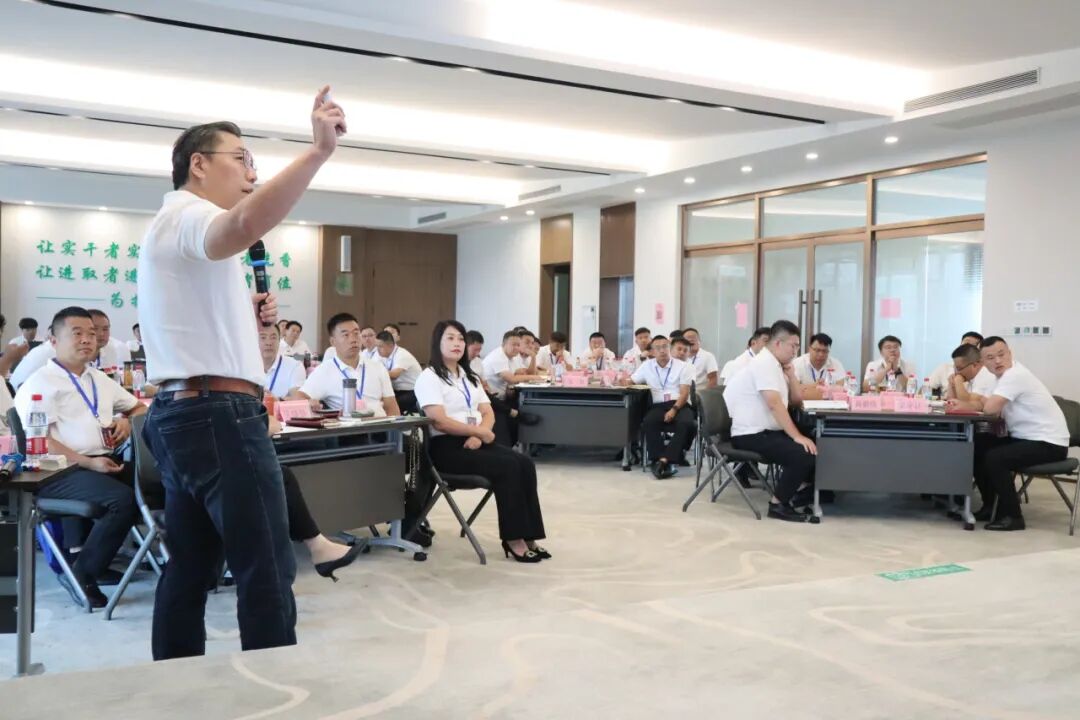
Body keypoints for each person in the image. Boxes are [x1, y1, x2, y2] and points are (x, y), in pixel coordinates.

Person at [139, 86, 346, 660]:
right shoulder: (188, 214)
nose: (252, 172)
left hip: (186, 411)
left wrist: (248, 322)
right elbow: (246, 222)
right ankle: (274, 681)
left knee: (192, 563)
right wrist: (317, 152)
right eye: (242, 158)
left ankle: (175, 673)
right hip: (215, 415)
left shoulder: (180, 228)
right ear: (199, 165)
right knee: (265, 563)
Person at [14, 307, 147, 608]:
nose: (87, 340)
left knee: (169, 482)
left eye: (91, 334)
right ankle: (82, 574)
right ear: (53, 340)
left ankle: (183, 564)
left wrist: (125, 421)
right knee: (121, 500)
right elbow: (40, 441)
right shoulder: (41, 382)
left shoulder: (97, 377)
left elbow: (139, 408)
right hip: (58, 471)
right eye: (77, 334)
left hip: (102, 461)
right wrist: (87, 462)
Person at [414, 320, 548, 563]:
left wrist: (479, 434)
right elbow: (439, 421)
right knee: (508, 467)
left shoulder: (469, 377)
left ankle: (530, 537)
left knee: (525, 463)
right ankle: (513, 539)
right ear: (437, 343)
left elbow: (488, 411)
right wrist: (477, 432)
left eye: (460, 339)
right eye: (450, 338)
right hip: (446, 448)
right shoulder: (429, 377)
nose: (457, 343)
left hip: (476, 440)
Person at [951, 337, 1069, 531]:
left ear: (1010, 353)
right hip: (1026, 438)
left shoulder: (1015, 375)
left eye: (1001, 354)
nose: (997, 361)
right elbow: (985, 404)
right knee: (978, 444)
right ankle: (990, 506)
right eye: (990, 358)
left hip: (1049, 443)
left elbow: (990, 408)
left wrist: (977, 403)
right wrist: (967, 404)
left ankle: (1013, 516)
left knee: (996, 457)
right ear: (983, 362)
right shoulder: (999, 378)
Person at [723, 320, 816, 523]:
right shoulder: (764, 364)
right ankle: (778, 504)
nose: (796, 351)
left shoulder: (776, 365)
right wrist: (797, 436)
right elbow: (774, 404)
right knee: (802, 452)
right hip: (750, 433)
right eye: (793, 346)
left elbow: (796, 401)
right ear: (778, 344)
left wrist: (791, 375)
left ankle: (804, 492)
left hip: (767, 430)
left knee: (817, 440)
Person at [295, 314, 400, 416]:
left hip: (380, 425)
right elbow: (299, 397)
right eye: (346, 335)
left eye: (356, 333)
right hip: (347, 425)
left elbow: (392, 408)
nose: (353, 339)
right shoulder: (324, 371)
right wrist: (310, 403)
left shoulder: (377, 367)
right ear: (333, 341)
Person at [626, 335, 696, 480]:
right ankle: (659, 459)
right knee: (649, 422)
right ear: (652, 351)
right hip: (658, 405)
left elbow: (684, 393)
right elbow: (631, 380)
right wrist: (618, 379)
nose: (662, 350)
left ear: (669, 348)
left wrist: (674, 410)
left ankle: (664, 460)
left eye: (665, 347)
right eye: (658, 348)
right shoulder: (647, 366)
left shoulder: (684, 366)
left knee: (686, 423)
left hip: (680, 404)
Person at [375, 329, 422, 413]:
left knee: (389, 404)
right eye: (377, 346)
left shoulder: (402, 354)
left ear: (390, 345)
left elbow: (394, 375)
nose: (377, 349)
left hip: (413, 392)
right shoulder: (382, 355)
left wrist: (377, 373)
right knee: (378, 400)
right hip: (398, 391)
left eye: (380, 346)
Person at [259, 323, 307, 399]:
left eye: (273, 337)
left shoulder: (295, 366)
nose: (268, 343)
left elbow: (298, 399)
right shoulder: (244, 367)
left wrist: (276, 400)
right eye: (263, 337)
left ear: (279, 341)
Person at [793, 333, 847, 397]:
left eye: (824, 351)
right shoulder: (798, 363)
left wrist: (808, 390)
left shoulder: (836, 364)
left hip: (830, 403)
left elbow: (841, 388)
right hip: (803, 402)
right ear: (809, 349)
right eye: (817, 350)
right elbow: (794, 389)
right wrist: (814, 386)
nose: (821, 354)